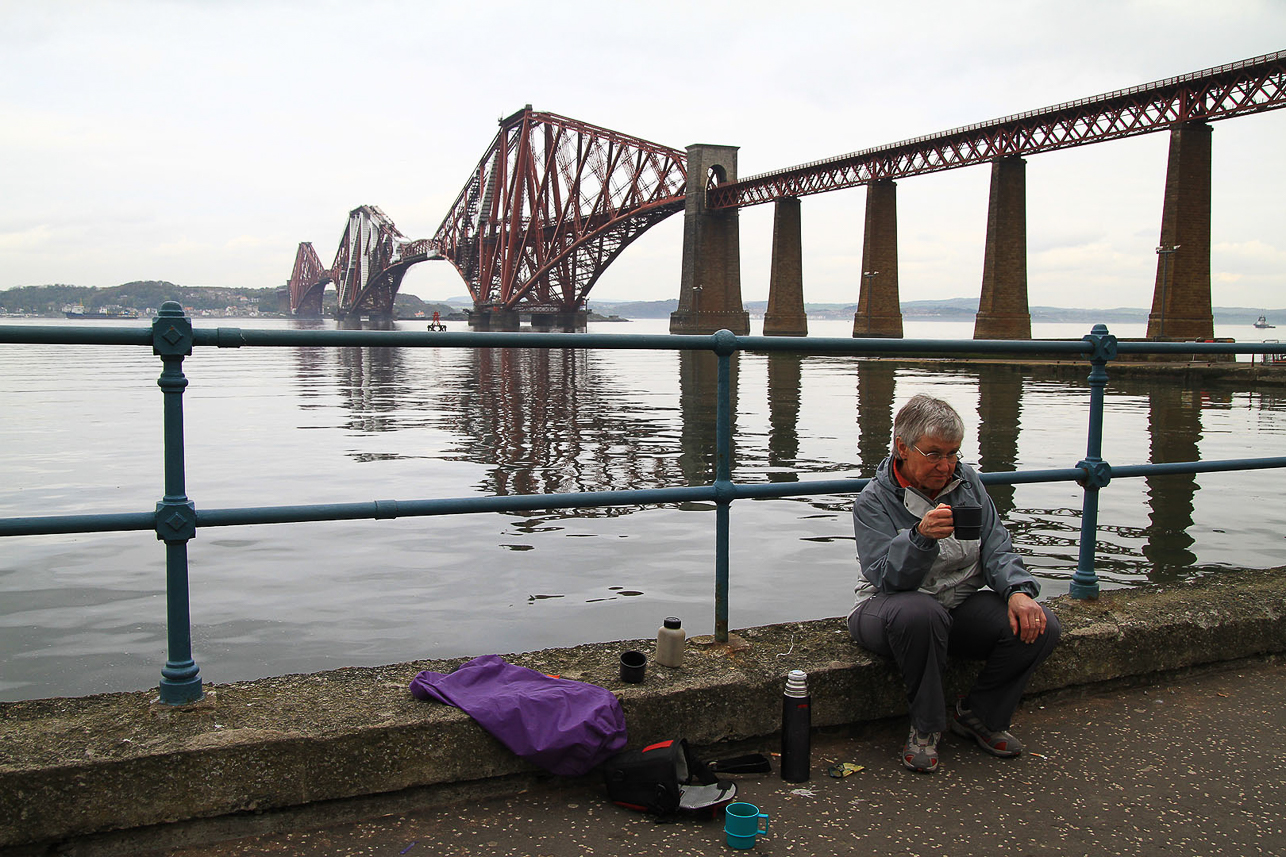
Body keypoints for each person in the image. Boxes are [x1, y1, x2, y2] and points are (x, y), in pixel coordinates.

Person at [848, 393, 1060, 773]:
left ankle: (979, 716)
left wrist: (1017, 591)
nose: (945, 466)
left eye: (953, 454)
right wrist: (920, 538)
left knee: (1039, 625)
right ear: (902, 447)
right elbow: (887, 578)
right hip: (887, 610)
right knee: (921, 613)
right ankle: (926, 729)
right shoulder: (873, 500)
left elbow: (996, 544)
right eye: (933, 454)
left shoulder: (968, 483)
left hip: (955, 604)